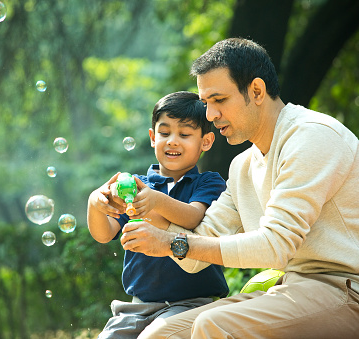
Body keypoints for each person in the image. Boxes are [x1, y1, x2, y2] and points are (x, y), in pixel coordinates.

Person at [115, 38, 359, 338]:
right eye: (206, 104)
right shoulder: (243, 166)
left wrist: (167, 243)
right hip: (294, 287)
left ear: (256, 91)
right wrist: (145, 206)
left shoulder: (311, 137)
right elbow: (194, 255)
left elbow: (275, 245)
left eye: (219, 100)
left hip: (347, 290)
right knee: (160, 334)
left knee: (213, 325)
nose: (209, 115)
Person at [87, 91, 229, 339]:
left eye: (184, 134)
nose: (173, 141)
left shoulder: (208, 182)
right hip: (138, 305)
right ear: (153, 138)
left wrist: (156, 200)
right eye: (165, 133)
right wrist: (94, 204)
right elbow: (104, 233)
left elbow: (193, 217)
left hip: (192, 303)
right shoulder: (134, 185)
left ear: (205, 142)